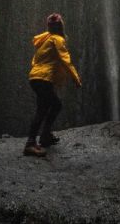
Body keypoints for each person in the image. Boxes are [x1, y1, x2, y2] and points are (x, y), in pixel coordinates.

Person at [24, 13, 82, 157]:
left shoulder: (45, 40)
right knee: (45, 109)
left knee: (53, 105)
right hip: (43, 79)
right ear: (61, 26)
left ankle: (44, 136)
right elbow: (65, 60)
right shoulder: (57, 40)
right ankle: (31, 144)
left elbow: (36, 60)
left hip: (36, 77)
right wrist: (76, 78)